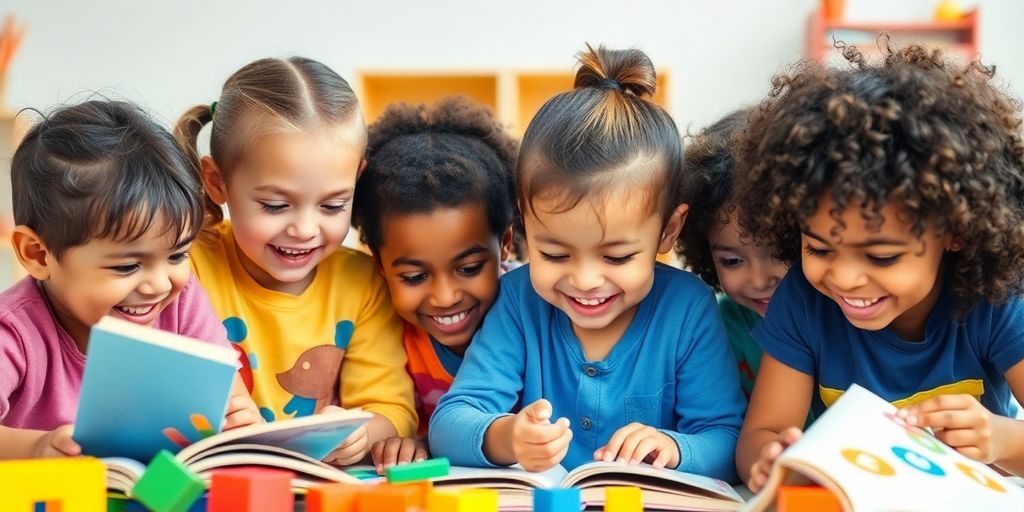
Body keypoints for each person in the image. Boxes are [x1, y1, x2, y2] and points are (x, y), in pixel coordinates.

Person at [430, 45, 745, 481]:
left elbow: (727, 439)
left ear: (668, 231)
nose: (584, 280)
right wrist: (508, 436)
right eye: (554, 254)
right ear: (525, 225)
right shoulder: (520, 302)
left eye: (617, 256)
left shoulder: (688, 308)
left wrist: (674, 447)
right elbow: (449, 423)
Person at [734, 43, 1024, 491]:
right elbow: (762, 434)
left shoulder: (995, 300)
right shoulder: (804, 300)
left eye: (882, 256)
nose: (845, 279)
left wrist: (1001, 440)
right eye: (820, 249)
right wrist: (771, 458)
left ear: (956, 232)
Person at [176, 57, 415, 466]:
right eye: (275, 205)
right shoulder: (185, 264)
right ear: (217, 182)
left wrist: (359, 432)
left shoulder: (361, 282)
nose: (305, 229)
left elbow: (392, 410)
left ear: (356, 179)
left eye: (332, 204)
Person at [0, 100, 259, 459]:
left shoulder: (182, 303)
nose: (159, 285)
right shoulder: (12, 331)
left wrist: (239, 422)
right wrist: (36, 447)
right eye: (126, 267)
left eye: (177, 256)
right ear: (37, 254)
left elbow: (231, 400)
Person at [351, 96, 517, 473]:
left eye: (470, 268)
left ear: (505, 244)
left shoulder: (534, 312)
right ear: (379, 264)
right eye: (414, 277)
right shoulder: (381, 329)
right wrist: (402, 445)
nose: (444, 297)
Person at [675, 109, 789, 401]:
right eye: (732, 261)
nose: (759, 280)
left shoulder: (851, 315)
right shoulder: (721, 327)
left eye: (779, 252)